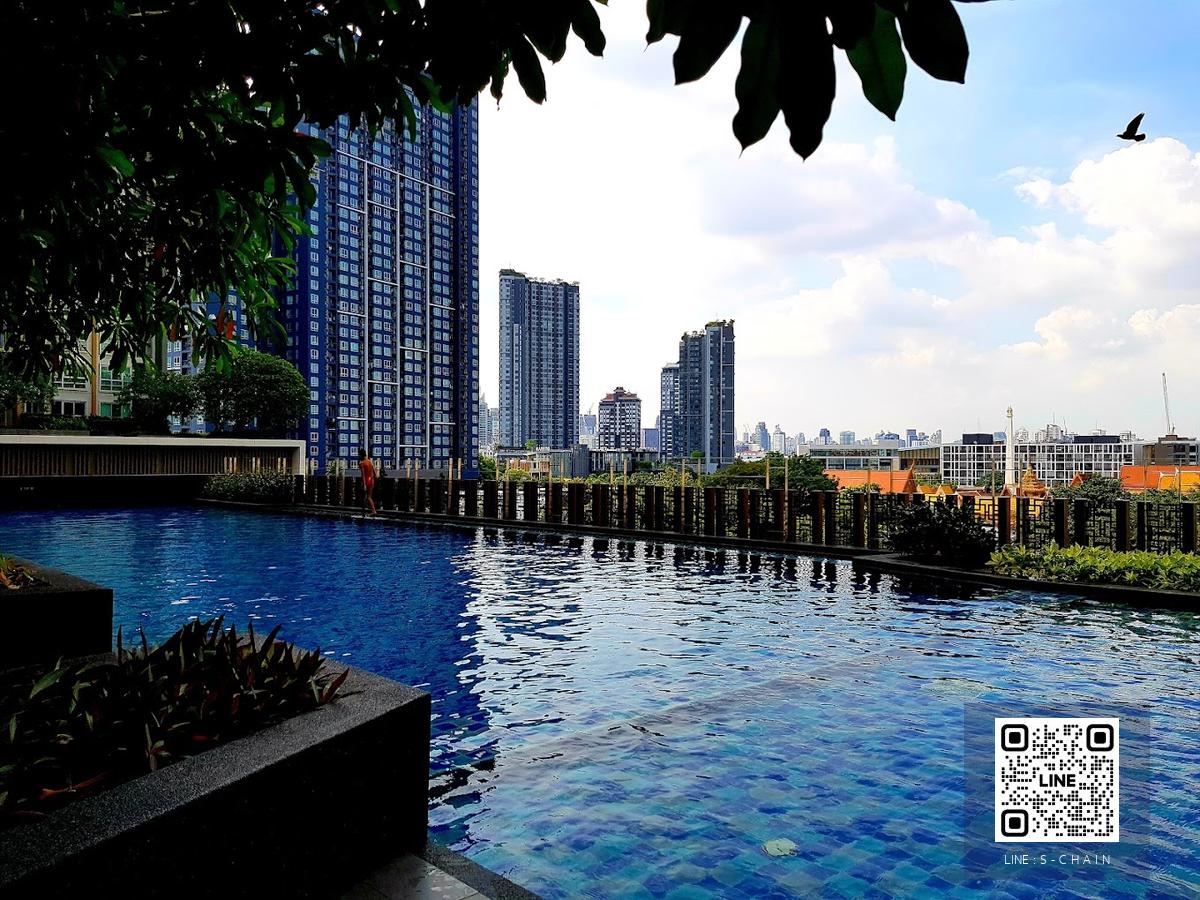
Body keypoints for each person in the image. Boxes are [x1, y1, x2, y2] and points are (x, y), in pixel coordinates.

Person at [358, 447, 377, 516]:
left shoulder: (362, 463)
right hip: (371, 480)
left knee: (366, 496)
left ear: (361, 455)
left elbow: (363, 475)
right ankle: (369, 509)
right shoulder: (369, 461)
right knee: (369, 496)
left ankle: (373, 511)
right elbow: (375, 472)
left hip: (366, 481)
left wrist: (364, 485)